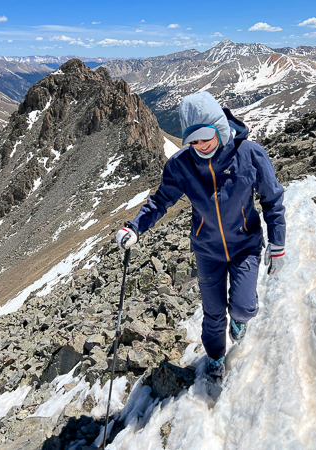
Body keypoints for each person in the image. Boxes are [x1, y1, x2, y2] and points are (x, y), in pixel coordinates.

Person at [116, 91, 285, 378]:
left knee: (244, 307)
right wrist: (134, 226)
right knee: (214, 313)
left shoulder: (249, 154)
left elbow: (272, 199)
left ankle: (240, 321)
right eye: (193, 141)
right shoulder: (182, 164)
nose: (201, 146)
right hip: (208, 251)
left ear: (220, 127)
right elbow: (160, 201)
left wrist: (278, 243)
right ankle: (216, 358)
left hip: (245, 244)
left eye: (206, 137)